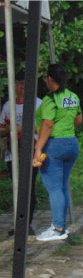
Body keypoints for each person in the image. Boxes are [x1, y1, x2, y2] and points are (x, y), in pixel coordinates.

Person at [34, 64, 83, 242]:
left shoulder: (50, 99)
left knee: (54, 188)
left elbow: (47, 124)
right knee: (61, 186)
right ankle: (61, 226)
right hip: (72, 144)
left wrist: (38, 149)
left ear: (50, 79)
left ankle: (57, 228)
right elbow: (79, 120)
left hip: (54, 145)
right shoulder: (73, 97)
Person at [0, 71, 42, 236]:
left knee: (29, 187)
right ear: (15, 86)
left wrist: (23, 129)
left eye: (25, 84)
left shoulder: (38, 104)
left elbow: (45, 126)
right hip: (13, 152)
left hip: (33, 150)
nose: (22, 87)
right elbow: (2, 128)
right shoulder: (8, 106)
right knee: (17, 187)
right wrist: (8, 129)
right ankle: (19, 223)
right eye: (19, 83)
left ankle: (28, 223)